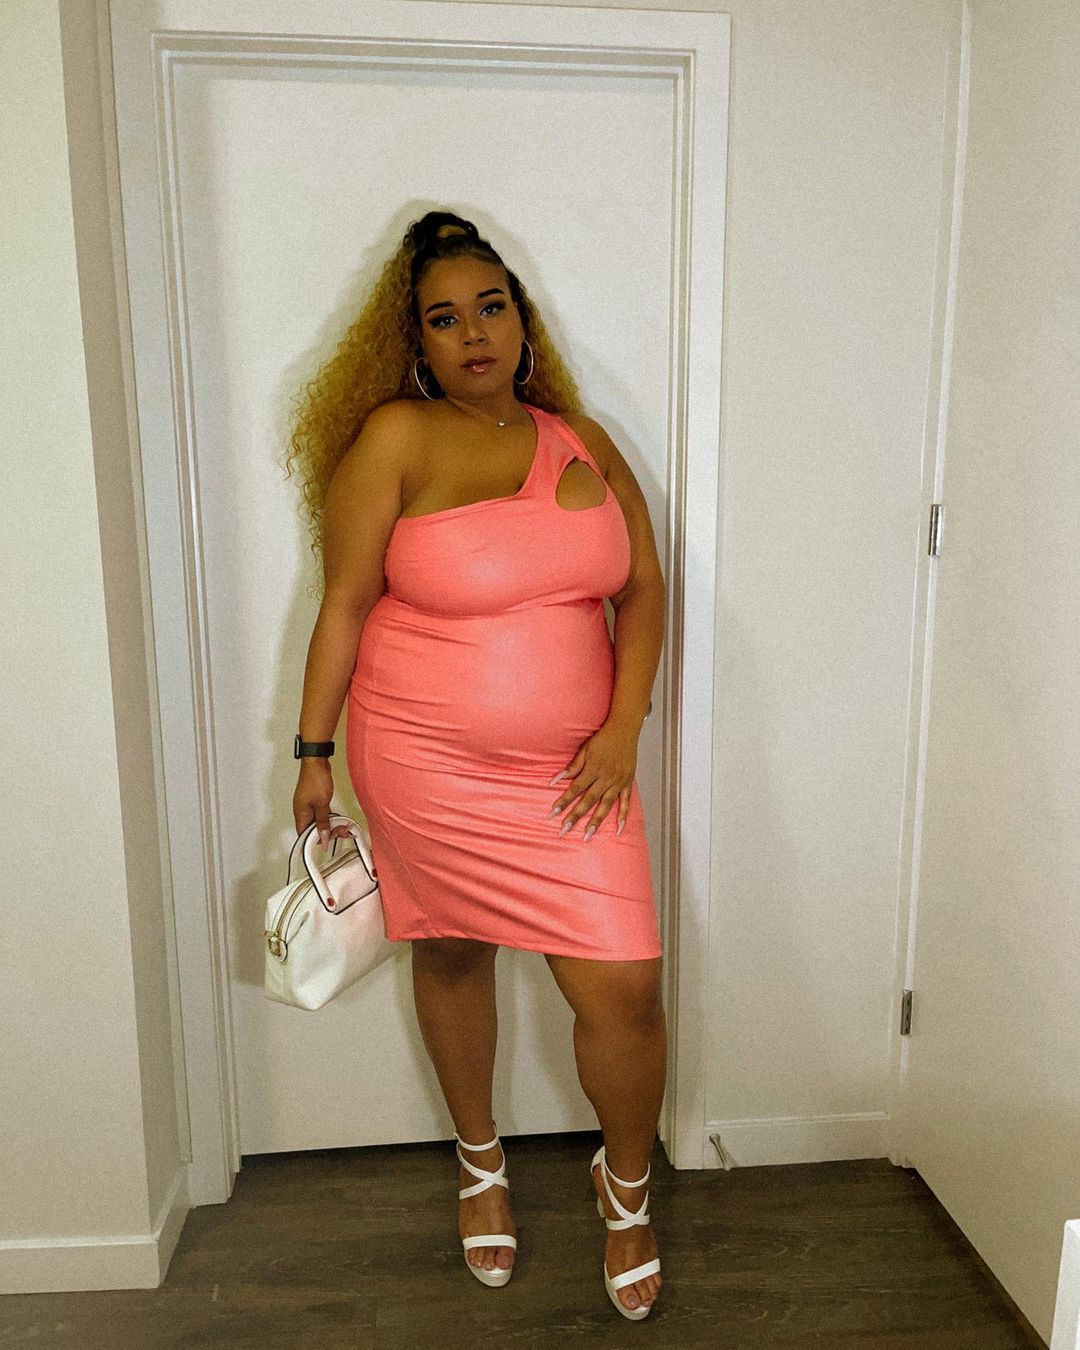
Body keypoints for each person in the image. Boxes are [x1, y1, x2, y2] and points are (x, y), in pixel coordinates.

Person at [288, 210, 666, 1319]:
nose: (473, 334)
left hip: (581, 778)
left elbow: (643, 588)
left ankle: (626, 1190)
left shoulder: (582, 440)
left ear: (521, 320)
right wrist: (311, 754)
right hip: (425, 765)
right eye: (444, 318)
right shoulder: (397, 438)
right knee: (453, 956)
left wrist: (623, 727)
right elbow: (344, 604)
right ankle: (480, 1163)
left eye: (490, 308)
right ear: (416, 341)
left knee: (626, 990)